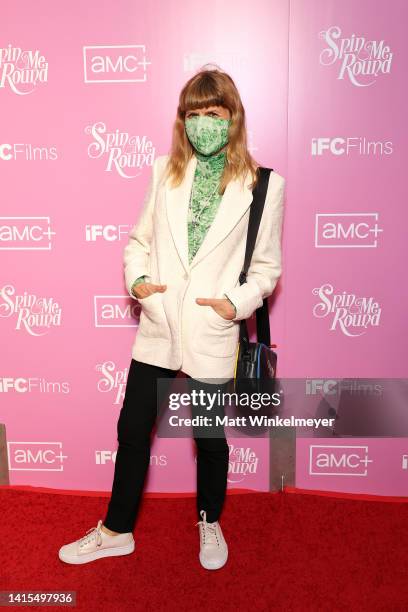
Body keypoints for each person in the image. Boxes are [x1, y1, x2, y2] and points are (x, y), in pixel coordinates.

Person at [58, 66, 286, 570]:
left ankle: (209, 521)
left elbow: (266, 268)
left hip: (211, 328)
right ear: (182, 120)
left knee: (208, 437)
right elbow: (138, 242)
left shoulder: (264, 186)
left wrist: (236, 304)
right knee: (133, 428)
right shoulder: (164, 171)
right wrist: (139, 283)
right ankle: (116, 530)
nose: (203, 123)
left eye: (214, 113)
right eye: (194, 114)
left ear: (233, 118)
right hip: (160, 324)